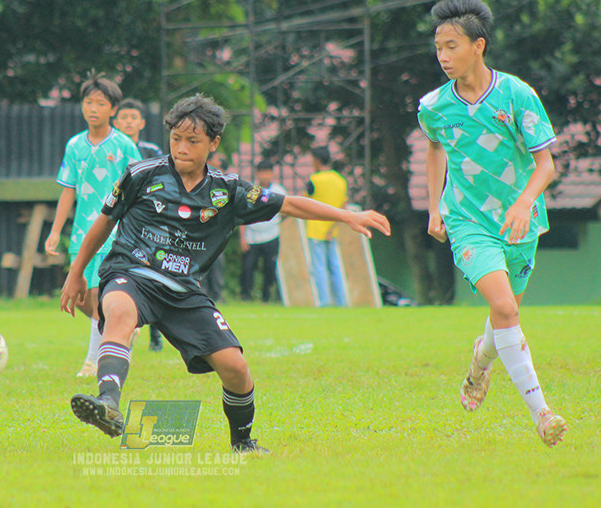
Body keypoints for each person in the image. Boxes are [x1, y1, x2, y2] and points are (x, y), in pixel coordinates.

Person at [59, 94, 390, 454]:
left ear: (213, 143)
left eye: (192, 141)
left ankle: (243, 442)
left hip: (183, 290)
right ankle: (108, 403)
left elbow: (290, 203)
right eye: (176, 139)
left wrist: (348, 216)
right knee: (119, 313)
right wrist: (76, 273)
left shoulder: (227, 190)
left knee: (235, 367)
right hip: (132, 273)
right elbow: (103, 223)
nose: (181, 148)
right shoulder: (142, 174)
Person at [418, 0, 568, 447]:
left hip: (519, 220)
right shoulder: (433, 106)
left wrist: (523, 204)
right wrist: (433, 206)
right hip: (467, 221)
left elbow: (546, 165)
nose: (443, 56)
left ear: (478, 46)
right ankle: (542, 414)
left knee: (508, 311)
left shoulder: (516, 94)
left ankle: (480, 363)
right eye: (439, 47)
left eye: (452, 46)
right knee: (503, 308)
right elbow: (434, 147)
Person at [46, 74, 141, 378]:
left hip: (115, 232)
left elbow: (141, 187)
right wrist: (55, 230)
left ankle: (94, 360)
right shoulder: (74, 145)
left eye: (101, 103)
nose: (93, 108)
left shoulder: (124, 146)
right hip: (81, 234)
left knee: (101, 294)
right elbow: (67, 189)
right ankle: (124, 327)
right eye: (89, 102)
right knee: (83, 298)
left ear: (112, 109)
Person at [114, 98, 166, 352]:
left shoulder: (152, 151)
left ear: (142, 123)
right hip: (119, 221)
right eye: (124, 118)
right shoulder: (110, 151)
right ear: (115, 122)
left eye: (133, 118)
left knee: (154, 273)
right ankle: (123, 328)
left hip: (150, 223)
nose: (129, 122)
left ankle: (156, 334)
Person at [305, 146, 348, 307]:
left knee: (320, 267)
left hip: (316, 229)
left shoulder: (314, 180)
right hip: (333, 230)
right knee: (335, 267)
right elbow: (343, 204)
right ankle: (341, 302)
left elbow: (303, 200)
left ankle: (324, 301)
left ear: (316, 160)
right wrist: (334, 227)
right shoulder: (340, 180)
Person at [239, 160, 286, 302]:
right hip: (252, 237)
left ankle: (266, 297)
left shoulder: (279, 191)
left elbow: (286, 212)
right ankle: (246, 296)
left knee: (270, 268)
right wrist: (242, 237)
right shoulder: (251, 190)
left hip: (271, 236)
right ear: (258, 174)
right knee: (248, 268)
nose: (265, 176)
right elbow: (242, 214)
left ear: (272, 174)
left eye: (268, 172)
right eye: (262, 172)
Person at [200, 151, 229, 301]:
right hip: (200, 234)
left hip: (216, 234)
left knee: (217, 266)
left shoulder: (225, 186)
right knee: (201, 265)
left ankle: (217, 295)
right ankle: (202, 294)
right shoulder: (200, 182)